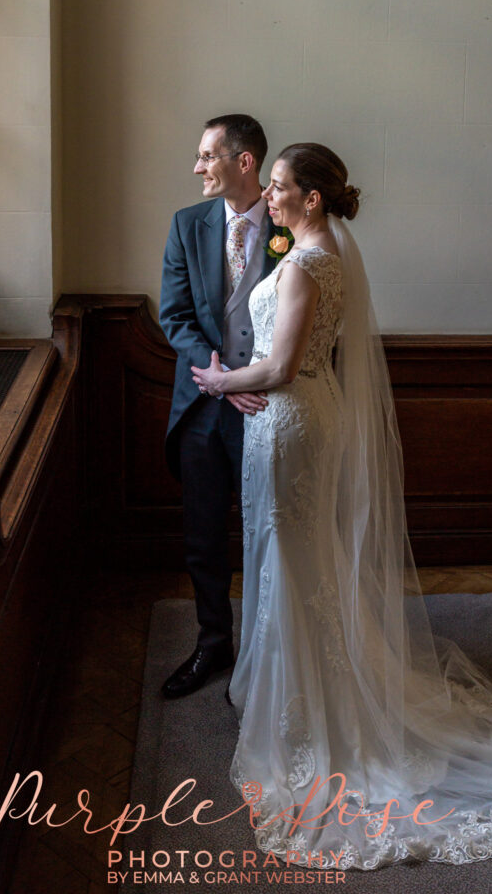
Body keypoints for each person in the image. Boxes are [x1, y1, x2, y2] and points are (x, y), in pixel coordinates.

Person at [192, 143, 492, 870]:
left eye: (281, 188)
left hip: (289, 418)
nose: (271, 199)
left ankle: (315, 718)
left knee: (294, 557)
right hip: (292, 418)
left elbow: (284, 366)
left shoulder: (309, 264)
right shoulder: (320, 258)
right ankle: (299, 693)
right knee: (297, 555)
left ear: (312, 198)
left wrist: (218, 381)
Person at [159, 113, 277, 699]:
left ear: (244, 162)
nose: (198, 166)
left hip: (270, 409)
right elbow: (174, 316)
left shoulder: (289, 228)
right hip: (204, 407)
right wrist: (222, 377)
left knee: (268, 535)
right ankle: (213, 644)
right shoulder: (188, 225)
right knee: (204, 536)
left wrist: (258, 382)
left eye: (208, 155)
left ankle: (269, 652)